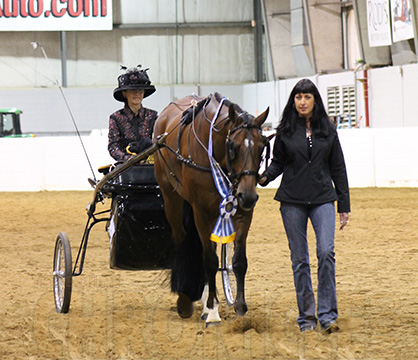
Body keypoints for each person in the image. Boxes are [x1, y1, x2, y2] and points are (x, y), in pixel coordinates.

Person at [259, 79, 350, 333]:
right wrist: (264, 177)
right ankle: (307, 319)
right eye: (298, 97)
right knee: (300, 260)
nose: (302, 102)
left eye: (307, 97)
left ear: (315, 101)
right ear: (293, 101)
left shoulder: (328, 130)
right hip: (292, 201)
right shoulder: (285, 131)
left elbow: (338, 168)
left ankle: (328, 316)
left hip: (322, 199)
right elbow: (278, 163)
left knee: (325, 253)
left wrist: (344, 204)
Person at [108, 65, 158, 162]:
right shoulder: (116, 118)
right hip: (126, 168)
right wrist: (129, 159)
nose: (137, 94)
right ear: (124, 93)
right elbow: (113, 147)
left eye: (140, 91)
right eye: (133, 90)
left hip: (149, 165)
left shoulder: (153, 116)